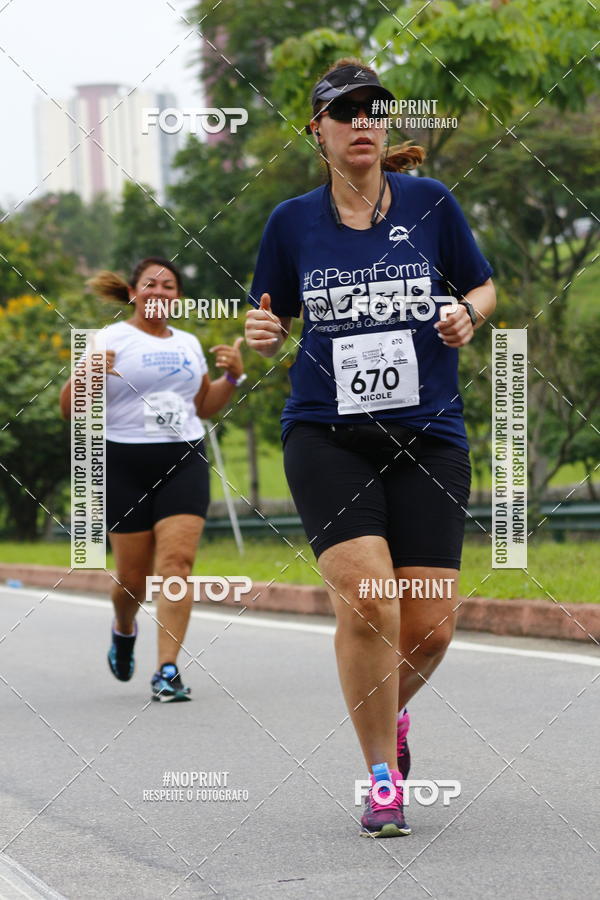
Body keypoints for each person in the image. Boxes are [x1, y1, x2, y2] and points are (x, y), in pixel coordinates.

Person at [245, 59, 496, 837]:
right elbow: (269, 318)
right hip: (327, 433)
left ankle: (390, 717)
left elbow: (482, 285)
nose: (361, 121)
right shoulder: (292, 222)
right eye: (343, 111)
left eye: (372, 110)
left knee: (429, 628)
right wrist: (260, 334)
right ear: (316, 130)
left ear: (384, 127)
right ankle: (381, 777)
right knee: (369, 600)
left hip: (429, 434)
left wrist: (469, 315)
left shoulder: (429, 203)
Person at [60, 257, 246, 702]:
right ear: (133, 292)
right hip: (123, 462)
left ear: (177, 297)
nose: (159, 292)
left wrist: (233, 376)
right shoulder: (109, 339)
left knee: (178, 565)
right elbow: (70, 408)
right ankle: (124, 628)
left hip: (183, 458)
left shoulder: (187, 343)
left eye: (168, 286)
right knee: (132, 580)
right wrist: (87, 374)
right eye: (150, 284)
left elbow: (204, 406)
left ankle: (167, 669)